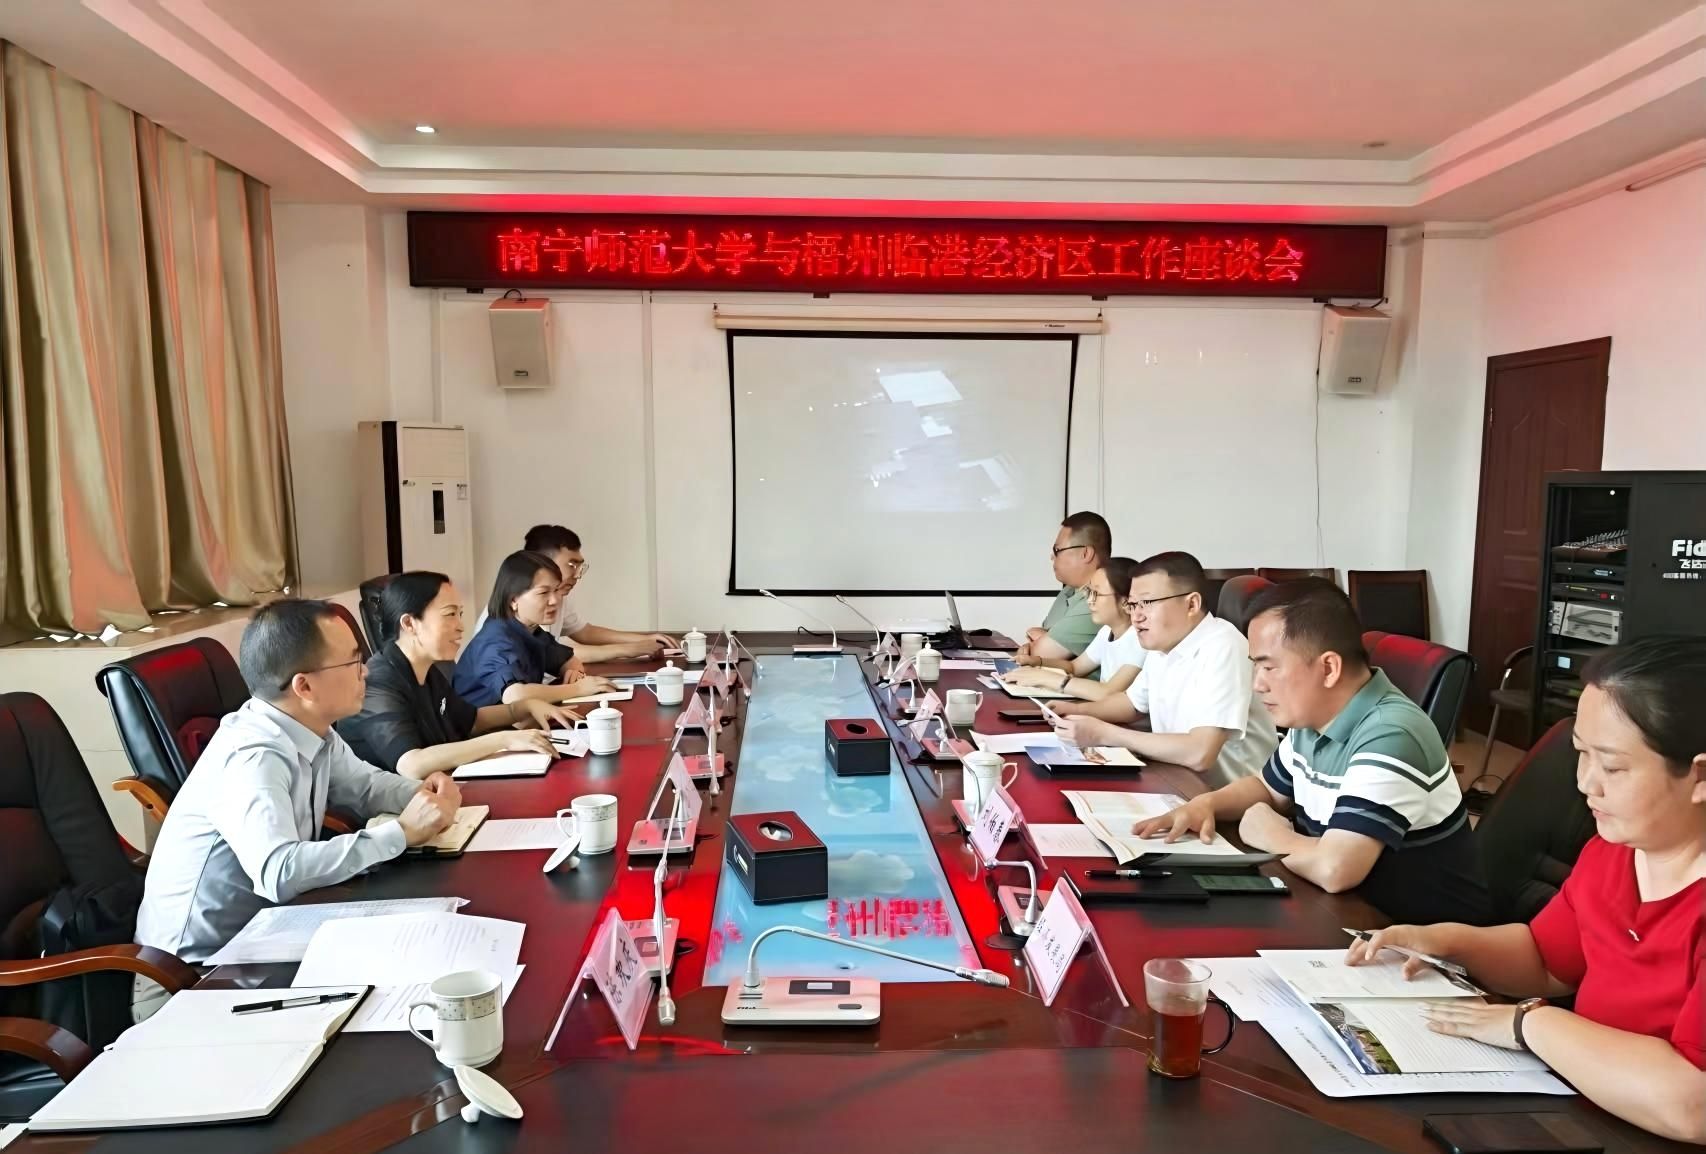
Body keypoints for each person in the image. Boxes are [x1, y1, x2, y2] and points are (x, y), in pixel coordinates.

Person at [1345, 637, 1705, 1143]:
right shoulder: (1615, 852)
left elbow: (1692, 1105)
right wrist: (1444, 942)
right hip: (1583, 1106)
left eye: (1612, 766)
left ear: (1700, 776)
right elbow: (1546, 962)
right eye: (1580, 755)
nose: (1585, 783)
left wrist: (1528, 1024)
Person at [1134, 579, 1492, 925]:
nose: (1257, 683)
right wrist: (1205, 805)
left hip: (1415, 941)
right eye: (1255, 665)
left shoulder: (1392, 734)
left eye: (1268, 666)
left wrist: (1269, 834)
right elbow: (1267, 789)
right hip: (1340, 913)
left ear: (1329, 668)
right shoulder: (1313, 717)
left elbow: (1335, 869)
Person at [135, 600, 463, 964]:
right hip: (197, 970)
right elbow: (278, 871)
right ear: (304, 686)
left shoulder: (310, 728)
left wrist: (425, 794)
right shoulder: (254, 756)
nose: (366, 671)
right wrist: (401, 833)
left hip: (270, 930)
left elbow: (365, 785)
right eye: (353, 662)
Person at [1053, 551, 1277, 787]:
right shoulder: (1163, 645)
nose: (1136, 616)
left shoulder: (1223, 645)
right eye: (1133, 604)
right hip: (1175, 779)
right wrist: (1073, 711)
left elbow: (1200, 752)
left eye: (1147, 603)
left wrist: (1105, 734)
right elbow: (1132, 704)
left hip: (1227, 797)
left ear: (1191, 604)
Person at [339, 571, 580, 779]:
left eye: (460, 614)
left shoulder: (428, 670)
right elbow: (412, 764)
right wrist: (503, 740)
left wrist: (524, 707)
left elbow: (471, 720)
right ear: (410, 623)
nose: (460, 626)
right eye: (449, 614)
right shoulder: (378, 681)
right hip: (390, 812)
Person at [454, 551, 616, 709]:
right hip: (489, 727)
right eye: (544, 592)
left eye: (556, 590)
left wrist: (573, 673)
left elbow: (569, 660)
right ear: (513, 600)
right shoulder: (495, 640)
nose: (555, 600)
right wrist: (578, 689)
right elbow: (515, 696)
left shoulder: (531, 630)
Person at [516, 525, 676, 662]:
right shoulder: (521, 601)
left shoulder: (559, 596)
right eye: (572, 565)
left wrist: (644, 639)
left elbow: (584, 632)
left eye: (580, 567)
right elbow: (549, 653)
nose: (577, 575)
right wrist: (627, 649)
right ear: (543, 562)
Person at [1001, 556, 1143, 703]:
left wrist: (1045, 678)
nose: (1089, 601)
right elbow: (1075, 667)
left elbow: (1108, 693)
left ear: (1126, 601)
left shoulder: (1140, 639)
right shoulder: (1107, 631)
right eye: (1089, 592)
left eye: (1097, 594)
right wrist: (1036, 662)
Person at [1016, 511, 1109, 663]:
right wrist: (1040, 641)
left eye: (1057, 550)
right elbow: (1034, 641)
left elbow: (1041, 653)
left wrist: (1041, 641)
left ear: (1085, 553)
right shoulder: (1068, 590)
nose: (1052, 557)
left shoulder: (1100, 599)